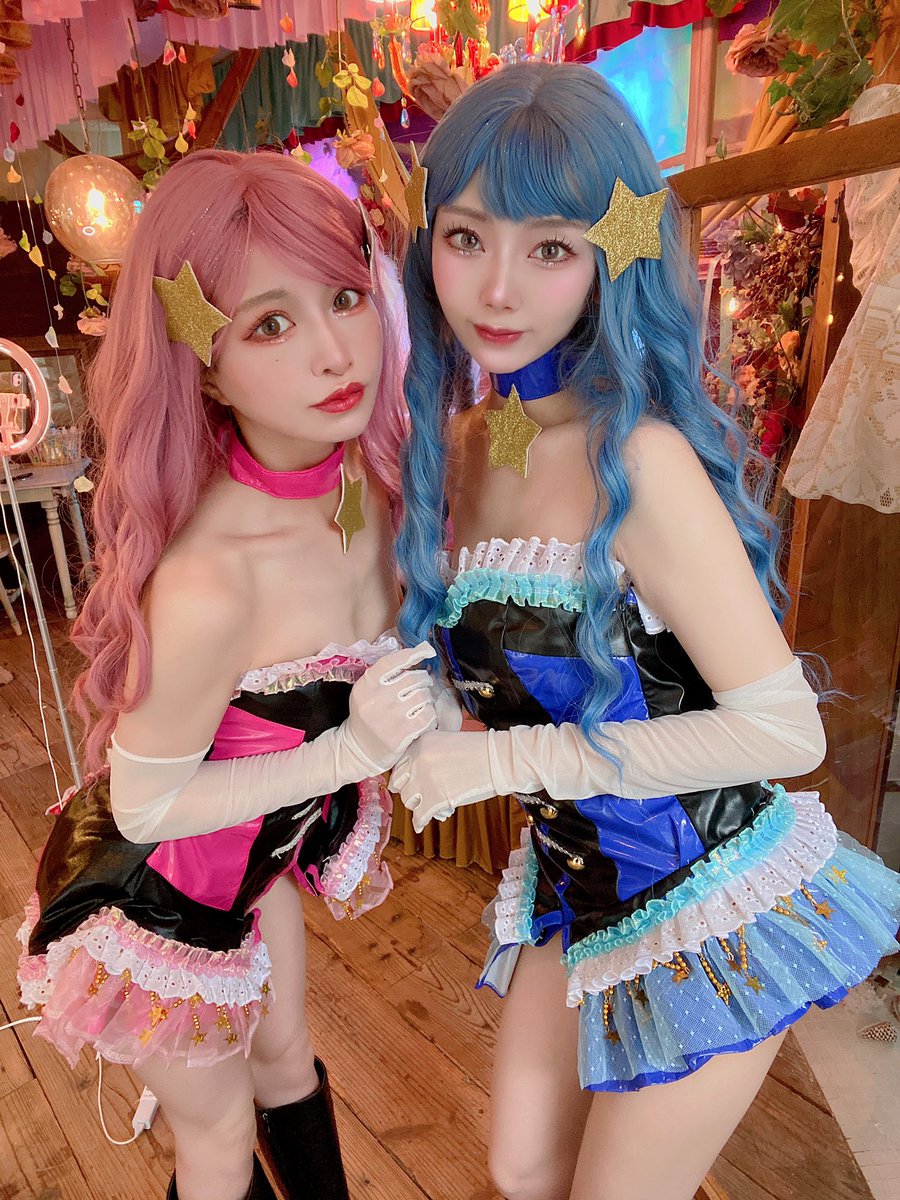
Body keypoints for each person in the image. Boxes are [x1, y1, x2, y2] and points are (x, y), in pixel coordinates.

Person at [390, 63, 900, 1200]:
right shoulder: (477, 442)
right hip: (574, 886)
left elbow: (786, 733)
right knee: (523, 1167)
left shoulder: (642, 459)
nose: (499, 289)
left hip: (713, 893)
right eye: (467, 238)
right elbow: (496, 656)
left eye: (551, 248)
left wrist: (505, 761)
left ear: (608, 258)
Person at [17, 149, 437, 1200]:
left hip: (254, 864)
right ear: (201, 365)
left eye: (344, 297)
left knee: (289, 1062)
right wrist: (351, 750)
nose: (335, 352)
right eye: (269, 324)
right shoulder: (212, 579)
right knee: (217, 1137)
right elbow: (146, 806)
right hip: (151, 901)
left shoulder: (374, 484)